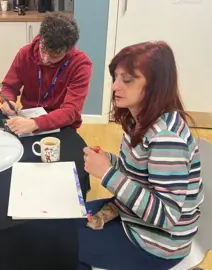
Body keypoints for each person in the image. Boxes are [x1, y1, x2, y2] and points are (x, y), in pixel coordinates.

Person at [79, 41, 204, 270]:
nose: (115, 86)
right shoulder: (137, 120)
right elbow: (137, 174)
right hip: (132, 217)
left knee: (64, 248)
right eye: (115, 77)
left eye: (127, 80)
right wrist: (110, 161)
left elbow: (166, 216)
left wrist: (107, 173)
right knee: (63, 225)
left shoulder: (167, 139)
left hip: (156, 244)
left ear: (155, 86)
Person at [0, 12, 92, 135]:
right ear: (40, 38)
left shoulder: (80, 64)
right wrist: (8, 101)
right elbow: (9, 87)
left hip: (62, 124)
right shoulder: (25, 53)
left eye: (55, 56)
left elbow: (72, 110)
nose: (45, 59)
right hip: (27, 119)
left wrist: (36, 123)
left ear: (68, 50)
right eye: (43, 50)